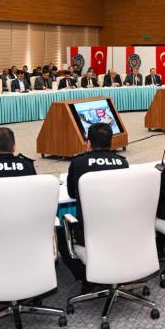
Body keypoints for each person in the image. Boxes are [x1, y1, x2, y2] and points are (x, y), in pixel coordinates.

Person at [58, 123, 128, 290]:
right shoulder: (123, 163)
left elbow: (72, 194)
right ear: (111, 142)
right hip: (120, 233)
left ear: (88, 143)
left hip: (88, 236)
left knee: (60, 233)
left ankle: (88, 278)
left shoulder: (78, 163)